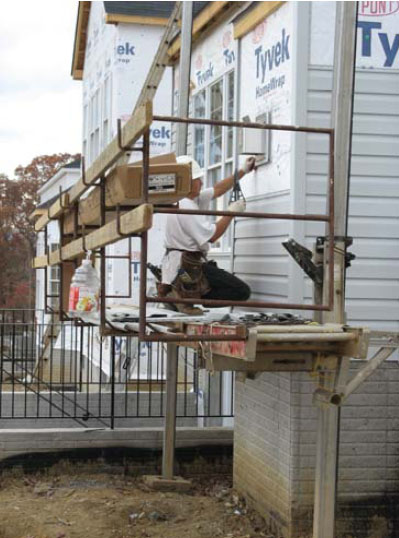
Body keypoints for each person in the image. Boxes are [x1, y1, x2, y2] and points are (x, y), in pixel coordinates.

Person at [158, 155, 256, 314]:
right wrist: (231, 212)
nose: (202, 182)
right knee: (241, 291)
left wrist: (243, 171)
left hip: (177, 266)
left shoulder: (183, 199)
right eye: (198, 179)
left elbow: (218, 189)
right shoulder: (186, 206)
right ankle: (184, 297)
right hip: (186, 266)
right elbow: (213, 235)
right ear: (187, 182)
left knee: (193, 283)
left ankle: (179, 295)